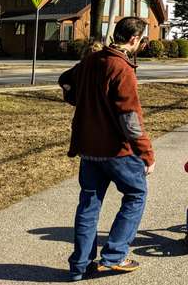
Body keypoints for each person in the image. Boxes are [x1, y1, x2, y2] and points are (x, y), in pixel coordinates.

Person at [59, 17, 154, 281]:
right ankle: (114, 256)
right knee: (136, 195)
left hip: (88, 149)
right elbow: (129, 119)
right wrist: (146, 153)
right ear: (134, 39)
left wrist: (79, 98)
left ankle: (80, 266)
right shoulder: (121, 68)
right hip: (116, 151)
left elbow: (65, 80)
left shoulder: (92, 60)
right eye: (141, 40)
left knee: (89, 205)